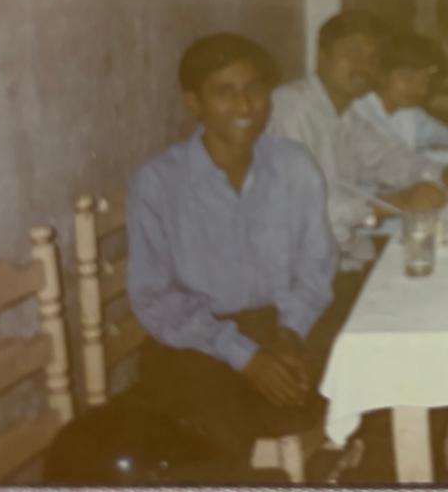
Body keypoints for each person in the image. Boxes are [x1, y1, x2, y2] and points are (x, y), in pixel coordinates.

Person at [126, 33, 336, 469]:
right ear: (194, 103)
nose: (245, 105)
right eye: (225, 92)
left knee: (351, 371)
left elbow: (316, 265)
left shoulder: (294, 164)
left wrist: (288, 334)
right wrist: (247, 357)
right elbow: (154, 297)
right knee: (214, 414)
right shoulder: (159, 182)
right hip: (196, 338)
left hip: (283, 325)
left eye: (254, 88)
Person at [267, 9, 448, 272]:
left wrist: (443, 173)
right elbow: (304, 209)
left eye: (372, 59)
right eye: (352, 53)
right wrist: (391, 204)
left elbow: (387, 158)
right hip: (298, 271)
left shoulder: (344, 113)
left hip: (345, 254)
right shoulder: (292, 109)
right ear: (323, 55)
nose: (363, 66)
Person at [351, 31, 448, 159]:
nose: (418, 90)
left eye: (424, 82)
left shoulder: (408, 111)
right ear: (382, 74)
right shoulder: (358, 112)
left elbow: (446, 137)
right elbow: (393, 162)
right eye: (408, 78)